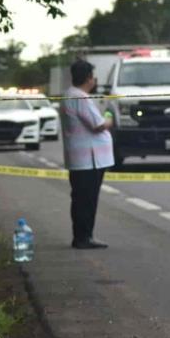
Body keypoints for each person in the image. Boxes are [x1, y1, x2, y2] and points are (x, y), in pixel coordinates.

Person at [60, 59, 115, 250]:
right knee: (86, 200)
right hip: (88, 160)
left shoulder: (70, 95)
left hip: (85, 159)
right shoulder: (80, 97)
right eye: (93, 76)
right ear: (89, 78)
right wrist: (109, 117)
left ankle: (84, 236)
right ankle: (83, 237)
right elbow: (98, 124)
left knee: (83, 199)